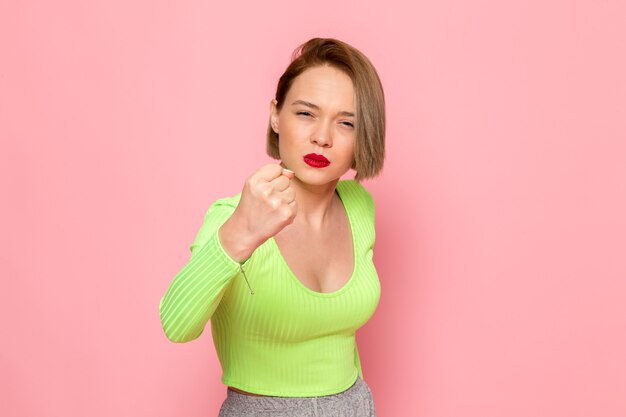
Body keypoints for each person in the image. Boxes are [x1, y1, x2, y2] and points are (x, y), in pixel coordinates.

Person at [159, 37, 386, 416]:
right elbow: (176, 325)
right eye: (305, 114)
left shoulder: (360, 207)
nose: (323, 137)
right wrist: (239, 235)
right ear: (275, 116)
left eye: (346, 122)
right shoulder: (231, 216)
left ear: (364, 135)